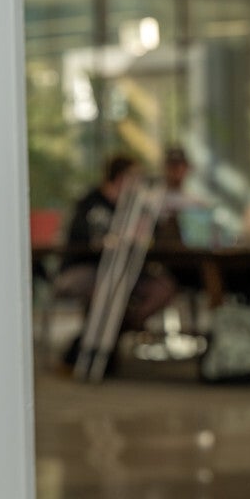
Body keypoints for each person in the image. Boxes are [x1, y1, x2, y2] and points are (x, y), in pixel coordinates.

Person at [53, 153, 177, 367]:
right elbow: (78, 236)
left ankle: (115, 332)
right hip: (87, 269)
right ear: (120, 177)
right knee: (105, 292)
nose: (139, 182)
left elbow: (153, 238)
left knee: (161, 288)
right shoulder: (90, 203)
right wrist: (107, 241)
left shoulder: (138, 207)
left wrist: (147, 232)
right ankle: (90, 349)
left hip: (125, 272)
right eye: (135, 176)